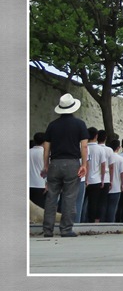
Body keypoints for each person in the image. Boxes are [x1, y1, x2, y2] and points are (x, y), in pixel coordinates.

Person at [40, 93, 89, 238]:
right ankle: (66, 229)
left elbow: (46, 148)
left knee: (51, 197)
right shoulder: (80, 124)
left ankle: (47, 230)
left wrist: (46, 165)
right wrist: (84, 165)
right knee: (69, 197)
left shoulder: (52, 125)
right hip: (72, 163)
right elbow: (84, 147)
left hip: (55, 163)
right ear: (73, 107)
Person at [104, 136, 123, 223]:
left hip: (106, 184)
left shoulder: (107, 156)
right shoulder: (120, 158)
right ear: (118, 147)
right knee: (113, 207)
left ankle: (102, 221)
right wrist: (122, 184)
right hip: (116, 186)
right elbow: (122, 172)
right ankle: (111, 222)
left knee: (104, 206)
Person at [29, 133, 47, 209]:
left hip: (28, 184)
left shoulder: (28, 152)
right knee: (39, 209)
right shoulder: (46, 153)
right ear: (44, 142)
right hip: (41, 184)